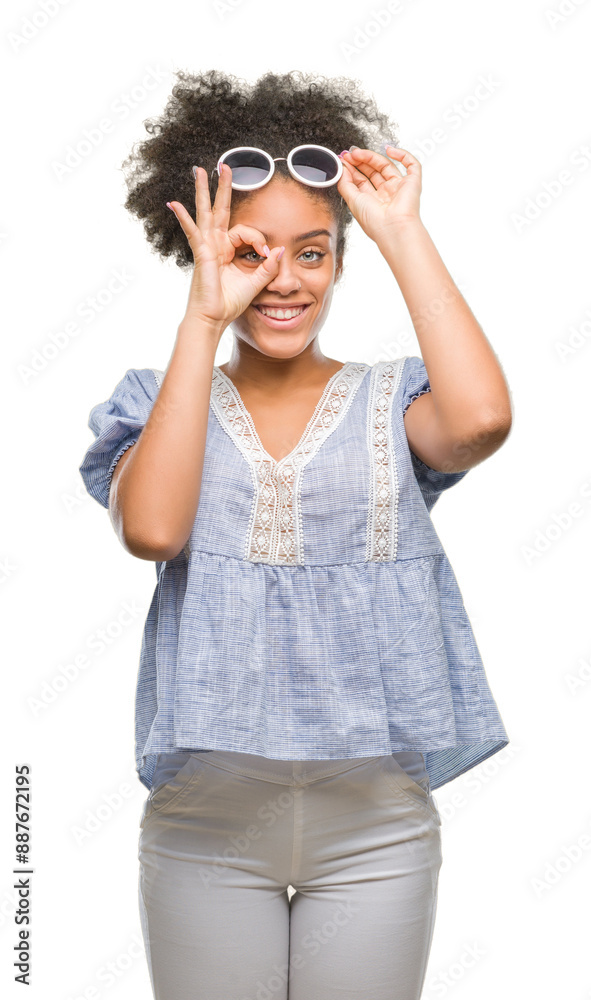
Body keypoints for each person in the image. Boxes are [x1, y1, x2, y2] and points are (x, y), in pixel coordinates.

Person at [79, 69, 512, 1000]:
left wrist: (398, 230)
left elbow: (477, 420)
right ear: (201, 251)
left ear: (340, 264)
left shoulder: (392, 403)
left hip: (375, 823)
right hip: (205, 825)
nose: (282, 279)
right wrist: (205, 317)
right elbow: (153, 530)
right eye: (251, 251)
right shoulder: (155, 405)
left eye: (312, 252)